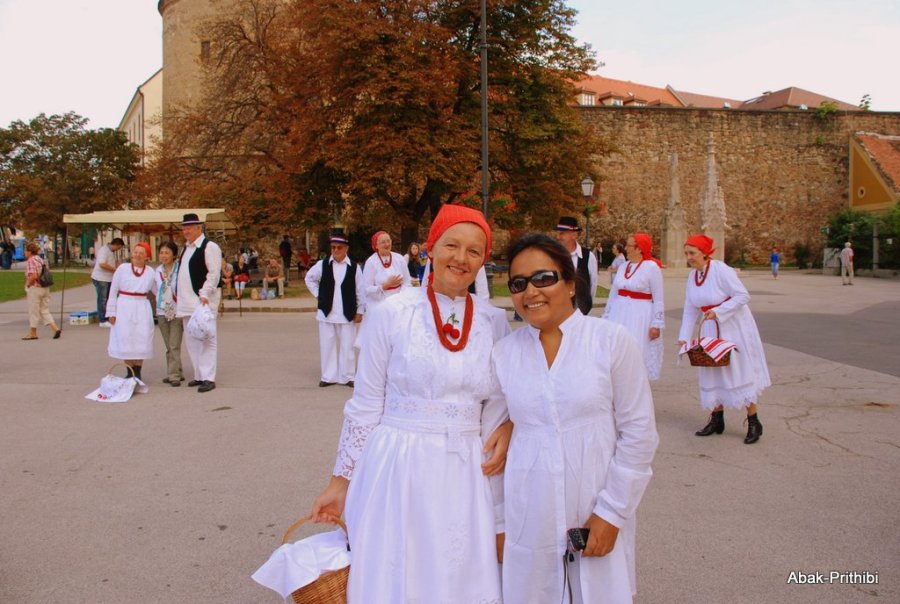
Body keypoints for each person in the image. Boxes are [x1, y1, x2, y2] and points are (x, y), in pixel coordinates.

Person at [311, 204, 511, 604]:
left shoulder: (495, 322)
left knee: (457, 578)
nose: (461, 258)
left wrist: (507, 431)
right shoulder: (392, 314)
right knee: (400, 575)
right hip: (399, 467)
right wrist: (340, 482)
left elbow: (497, 410)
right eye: (452, 245)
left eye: (474, 251)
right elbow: (366, 404)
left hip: (467, 474)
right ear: (430, 248)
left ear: (483, 261)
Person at [493, 233, 658, 604]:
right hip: (529, 515)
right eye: (518, 284)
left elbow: (639, 433)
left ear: (570, 284)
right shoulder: (504, 354)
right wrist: (500, 524)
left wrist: (612, 512)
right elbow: (492, 450)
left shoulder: (610, 341)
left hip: (594, 506)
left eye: (543, 278)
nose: (530, 291)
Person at [679, 235, 770, 444]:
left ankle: (753, 420)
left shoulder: (721, 270)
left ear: (705, 253)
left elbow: (742, 295)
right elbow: (690, 308)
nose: (689, 257)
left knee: (737, 369)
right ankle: (717, 418)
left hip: (732, 326)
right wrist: (684, 337)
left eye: (692, 253)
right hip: (710, 327)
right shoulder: (693, 276)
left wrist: (719, 311)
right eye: (686, 253)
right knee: (712, 369)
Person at [305, 229, 366, 387]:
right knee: (327, 345)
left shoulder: (354, 267)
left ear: (346, 248)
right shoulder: (322, 265)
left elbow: (360, 291)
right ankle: (328, 376)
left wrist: (360, 311)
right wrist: (318, 294)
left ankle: (347, 376)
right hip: (326, 312)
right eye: (333, 247)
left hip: (347, 312)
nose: (336, 250)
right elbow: (309, 279)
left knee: (348, 346)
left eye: (339, 247)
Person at [603, 233, 665, 381]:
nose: (626, 248)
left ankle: (636, 385)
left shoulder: (651, 267)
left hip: (640, 315)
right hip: (619, 313)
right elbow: (613, 294)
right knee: (616, 350)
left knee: (636, 349)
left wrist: (657, 324)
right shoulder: (624, 266)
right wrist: (606, 315)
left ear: (639, 249)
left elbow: (658, 298)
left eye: (629, 245)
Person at [175, 213, 222, 393]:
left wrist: (205, 293)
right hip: (186, 302)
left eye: (189, 228)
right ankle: (199, 374)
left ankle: (209, 377)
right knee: (192, 339)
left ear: (198, 228)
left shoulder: (209, 247)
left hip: (201, 300)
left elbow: (214, 273)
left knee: (207, 338)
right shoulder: (186, 248)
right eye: (184, 228)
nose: (186, 231)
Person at [106, 242, 156, 381]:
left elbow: (158, 291)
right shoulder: (123, 269)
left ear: (147, 257)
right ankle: (130, 371)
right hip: (124, 306)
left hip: (142, 307)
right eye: (136, 252)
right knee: (125, 337)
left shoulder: (150, 272)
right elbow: (113, 291)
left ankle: (138, 371)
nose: (138, 255)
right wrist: (111, 312)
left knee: (142, 337)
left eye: (141, 253)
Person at [154, 241, 184, 387]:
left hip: (177, 311)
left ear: (174, 255)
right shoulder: (157, 271)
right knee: (169, 345)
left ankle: (173, 375)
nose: (164, 255)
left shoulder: (180, 270)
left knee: (174, 344)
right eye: (161, 252)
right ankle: (177, 370)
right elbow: (154, 289)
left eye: (167, 252)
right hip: (162, 311)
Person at [555, 216, 598, 315]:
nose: (558, 237)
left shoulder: (588, 256)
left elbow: (593, 284)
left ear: (574, 235)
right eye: (558, 233)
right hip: (557, 310)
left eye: (562, 233)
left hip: (579, 311)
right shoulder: (553, 255)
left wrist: (586, 307)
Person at [22, 242, 61, 340]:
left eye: (26, 251)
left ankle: (33, 333)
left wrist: (28, 284)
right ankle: (55, 328)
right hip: (45, 287)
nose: (25, 253)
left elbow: (34, 275)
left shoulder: (31, 261)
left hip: (35, 288)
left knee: (34, 311)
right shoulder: (40, 259)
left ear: (30, 252)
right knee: (44, 310)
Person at [362, 230, 410, 308]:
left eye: (388, 241)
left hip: (400, 302)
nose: (387, 244)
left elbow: (407, 282)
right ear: (376, 245)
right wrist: (386, 285)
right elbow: (366, 288)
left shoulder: (399, 258)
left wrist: (400, 298)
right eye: (383, 242)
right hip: (379, 303)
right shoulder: (371, 262)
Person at [91, 237, 124, 327]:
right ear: (116, 244)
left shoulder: (111, 252)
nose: (118, 250)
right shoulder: (104, 251)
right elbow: (102, 264)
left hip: (108, 278)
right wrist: (115, 270)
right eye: (119, 247)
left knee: (108, 298)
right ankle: (102, 320)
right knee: (102, 299)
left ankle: (108, 316)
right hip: (101, 278)